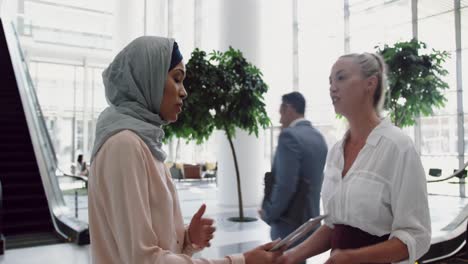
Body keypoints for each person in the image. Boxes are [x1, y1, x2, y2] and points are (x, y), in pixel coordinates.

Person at [88, 36, 283, 264]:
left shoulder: (145, 145)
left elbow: (152, 248)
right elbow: (142, 259)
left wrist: (188, 239)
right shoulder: (124, 146)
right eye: (177, 79)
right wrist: (241, 261)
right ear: (148, 78)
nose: (184, 92)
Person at [278, 53, 431, 264]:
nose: (332, 87)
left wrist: (354, 257)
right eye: (330, 81)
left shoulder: (397, 147)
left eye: (341, 78)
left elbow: (416, 236)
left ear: (370, 83)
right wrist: (291, 256)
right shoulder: (336, 152)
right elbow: (334, 224)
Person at [260, 91, 327, 260]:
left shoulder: (289, 136)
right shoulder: (319, 138)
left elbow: (285, 186)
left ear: (289, 108)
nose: (280, 119)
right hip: (309, 223)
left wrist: (269, 213)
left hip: (288, 225)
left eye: (281, 112)